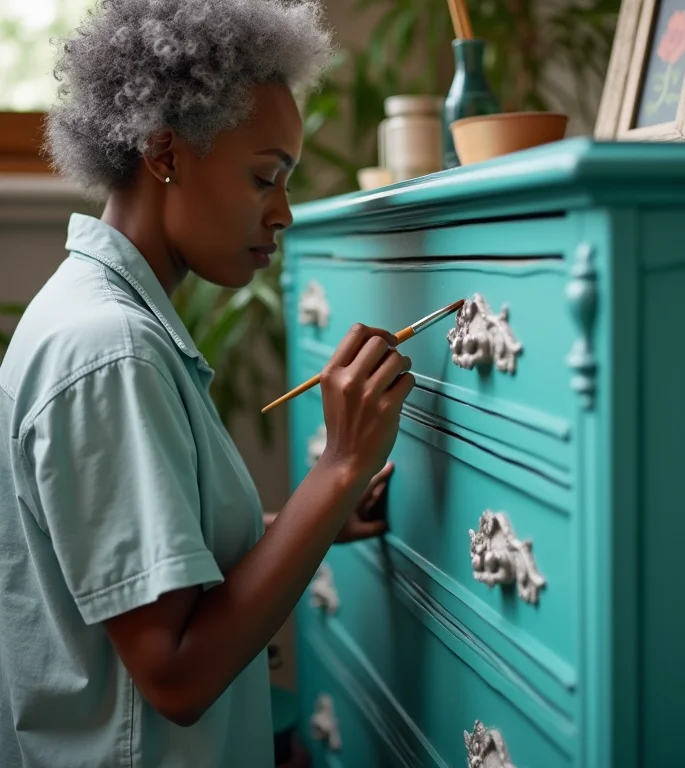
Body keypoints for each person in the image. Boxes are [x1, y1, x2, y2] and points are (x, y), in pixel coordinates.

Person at [0, 1, 415, 766]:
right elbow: (177, 677)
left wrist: (304, 520)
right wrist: (339, 467)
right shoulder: (111, 352)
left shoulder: (97, 317)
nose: (284, 212)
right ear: (165, 153)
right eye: (266, 177)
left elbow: (125, 557)